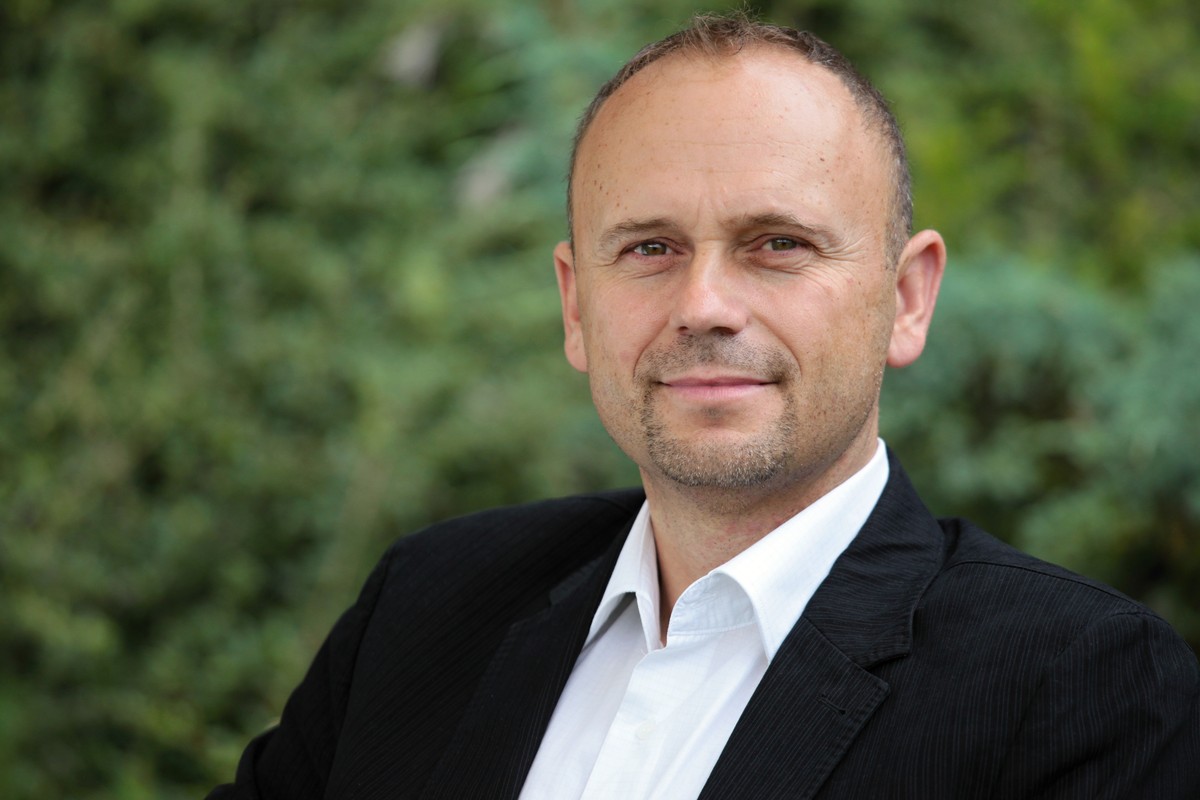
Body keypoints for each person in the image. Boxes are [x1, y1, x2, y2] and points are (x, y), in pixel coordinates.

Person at [209, 14, 1200, 799]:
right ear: (575, 307)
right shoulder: (427, 606)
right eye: (650, 248)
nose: (704, 305)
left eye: (778, 244)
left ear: (906, 299)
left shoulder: (1081, 687)